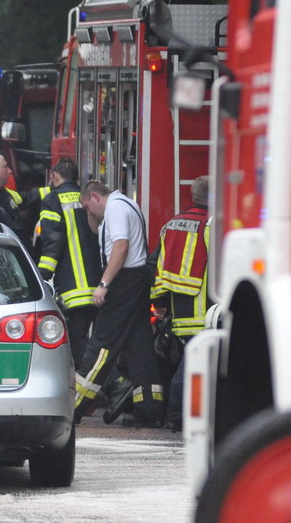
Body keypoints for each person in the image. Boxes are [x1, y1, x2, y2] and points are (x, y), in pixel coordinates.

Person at [75, 180, 165, 428]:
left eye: (87, 206)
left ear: (95, 196)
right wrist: (93, 218)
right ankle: (150, 409)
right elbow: (100, 233)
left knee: (102, 344)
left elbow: (121, 246)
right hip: (137, 280)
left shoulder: (114, 209)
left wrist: (104, 284)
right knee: (140, 348)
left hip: (123, 281)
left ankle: (74, 406)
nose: (88, 212)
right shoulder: (125, 204)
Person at [150, 175, 211, 431]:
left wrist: (159, 301)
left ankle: (179, 415)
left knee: (188, 363)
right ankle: (176, 416)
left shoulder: (171, 224)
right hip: (203, 308)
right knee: (192, 367)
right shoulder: (210, 226)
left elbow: (157, 264)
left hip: (179, 309)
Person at [37, 158, 101, 368]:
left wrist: (41, 277)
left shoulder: (53, 200)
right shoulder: (90, 198)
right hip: (100, 282)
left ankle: (85, 388)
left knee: (77, 341)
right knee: (101, 340)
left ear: (54, 176)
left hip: (74, 286)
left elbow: (52, 242)